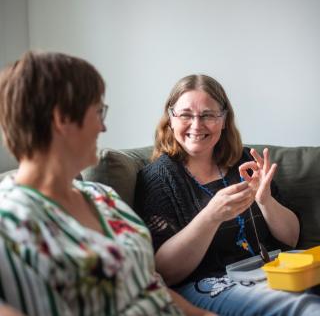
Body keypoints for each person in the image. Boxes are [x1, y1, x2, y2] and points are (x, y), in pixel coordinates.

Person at [0, 52, 216, 316]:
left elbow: (148, 285)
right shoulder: (8, 220)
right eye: (97, 111)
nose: (103, 127)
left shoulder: (104, 198)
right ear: (62, 119)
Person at [134, 74, 320, 315]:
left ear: (223, 120)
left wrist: (265, 201)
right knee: (303, 307)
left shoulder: (243, 161)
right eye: (185, 114)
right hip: (210, 285)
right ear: (171, 119)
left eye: (208, 115)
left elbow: (291, 239)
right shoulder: (158, 178)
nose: (196, 124)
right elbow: (165, 272)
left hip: (273, 271)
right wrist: (211, 216)